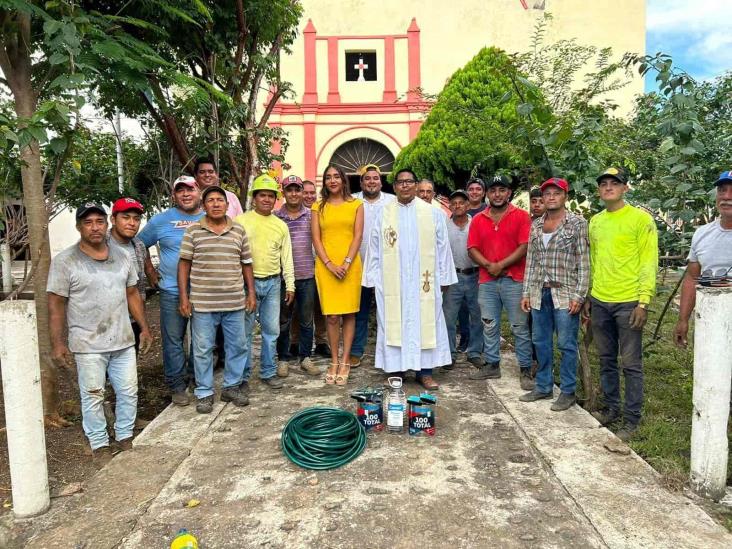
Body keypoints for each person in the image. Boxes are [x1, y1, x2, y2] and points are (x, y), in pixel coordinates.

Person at [48, 203, 153, 465]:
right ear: (79, 227)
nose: (95, 227)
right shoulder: (65, 261)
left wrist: (145, 328)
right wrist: (58, 343)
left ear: (107, 224)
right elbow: (56, 304)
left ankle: (125, 436)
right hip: (87, 344)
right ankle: (99, 444)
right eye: (88, 222)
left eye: (99, 222)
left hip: (123, 339)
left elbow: (132, 294)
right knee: (93, 394)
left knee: (128, 391)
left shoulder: (122, 256)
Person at [583, 167, 658, 442]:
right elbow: (594, 261)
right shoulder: (596, 222)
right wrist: (590, 295)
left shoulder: (641, 220)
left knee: (631, 363)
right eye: (603, 183)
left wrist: (643, 301)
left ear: (625, 188)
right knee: (606, 359)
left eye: (614, 183)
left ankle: (632, 419)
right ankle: (611, 408)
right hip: (601, 300)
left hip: (629, 302)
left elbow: (649, 261)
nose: (608, 187)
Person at [364, 168, 456, 390]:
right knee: (393, 325)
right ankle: (397, 371)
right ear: (394, 187)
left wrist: (444, 278)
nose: (405, 185)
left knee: (426, 325)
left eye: (409, 182)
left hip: (423, 282)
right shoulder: (383, 213)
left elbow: (443, 248)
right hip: (392, 283)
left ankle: (425, 372)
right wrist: (373, 278)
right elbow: (374, 248)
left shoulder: (432, 213)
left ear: (415, 185)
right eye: (400, 182)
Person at [178, 185, 256, 413]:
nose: (215, 204)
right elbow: (184, 264)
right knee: (202, 349)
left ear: (226, 204)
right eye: (210, 200)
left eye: (219, 200)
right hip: (203, 303)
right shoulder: (193, 231)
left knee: (238, 346)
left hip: (234, 301)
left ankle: (231, 386)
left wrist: (250, 293)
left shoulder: (238, 231)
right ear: (204, 205)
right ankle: (204, 392)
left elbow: (246, 264)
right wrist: (184, 296)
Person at [520, 178, 590, 411]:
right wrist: (527, 292)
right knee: (540, 341)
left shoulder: (577, 224)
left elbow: (583, 261)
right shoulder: (537, 225)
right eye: (546, 193)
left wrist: (579, 296)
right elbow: (531, 261)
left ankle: (568, 391)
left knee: (566, 343)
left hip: (565, 293)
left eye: (555, 193)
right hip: (540, 292)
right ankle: (543, 385)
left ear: (564, 197)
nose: (550, 197)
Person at [138, 176, 204, 406]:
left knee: (202, 339)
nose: (186, 194)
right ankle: (177, 385)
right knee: (173, 340)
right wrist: (149, 271)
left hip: (204, 292)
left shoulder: (211, 218)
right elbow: (139, 243)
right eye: (180, 191)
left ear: (199, 192)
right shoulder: (161, 221)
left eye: (190, 189)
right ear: (174, 195)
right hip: (171, 291)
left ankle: (198, 379)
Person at [467, 174, 534, 389]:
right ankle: (492, 364)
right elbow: (472, 248)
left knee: (519, 326)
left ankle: (525, 368)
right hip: (487, 280)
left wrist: (501, 265)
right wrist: (489, 266)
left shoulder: (522, 216)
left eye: (502, 190)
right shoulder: (478, 219)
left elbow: (524, 246)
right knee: (489, 324)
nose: (497, 194)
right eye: (493, 190)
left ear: (509, 193)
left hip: (514, 280)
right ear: (487, 193)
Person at [234, 174, 295, 390]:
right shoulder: (240, 222)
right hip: (246, 284)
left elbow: (286, 257)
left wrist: (290, 284)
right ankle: (243, 376)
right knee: (245, 332)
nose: (267, 199)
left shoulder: (280, 225)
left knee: (271, 331)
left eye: (271, 196)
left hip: (272, 283)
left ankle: (268, 371)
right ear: (254, 197)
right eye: (263, 195)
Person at [311, 164, 364, 385]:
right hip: (326, 267)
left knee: (349, 314)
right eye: (328, 177)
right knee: (331, 316)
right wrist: (330, 264)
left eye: (336, 177)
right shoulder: (318, 207)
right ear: (324, 182)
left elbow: (358, 235)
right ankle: (333, 360)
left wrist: (346, 262)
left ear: (343, 180)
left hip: (350, 267)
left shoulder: (357, 205)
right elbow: (316, 238)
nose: (332, 180)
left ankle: (345, 361)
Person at [674, 171, 732, 347]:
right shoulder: (702, 234)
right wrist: (683, 319)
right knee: (710, 371)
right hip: (710, 320)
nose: (727, 197)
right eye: (722, 190)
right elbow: (692, 278)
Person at [275, 175, 320, 376]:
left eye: (297, 190)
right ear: (283, 192)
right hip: (284, 278)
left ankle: (305, 357)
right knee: (283, 320)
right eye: (289, 190)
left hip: (307, 275)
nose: (294, 194)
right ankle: (283, 359)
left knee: (306, 319)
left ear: (303, 192)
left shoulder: (311, 216)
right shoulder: (276, 217)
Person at [351, 164, 395, 368]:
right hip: (358, 266)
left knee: (389, 312)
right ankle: (356, 351)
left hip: (388, 267)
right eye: (367, 178)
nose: (371, 182)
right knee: (359, 311)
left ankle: (391, 352)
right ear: (361, 182)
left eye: (375, 178)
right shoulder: (352, 201)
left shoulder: (392, 201)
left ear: (381, 181)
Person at [442, 189, 483, 368]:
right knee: (449, 318)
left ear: (468, 205)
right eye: (454, 203)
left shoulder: (477, 223)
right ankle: (449, 353)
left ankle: (474, 352)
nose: (458, 205)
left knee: (478, 316)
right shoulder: (444, 225)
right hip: (453, 277)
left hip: (475, 275)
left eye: (461, 202)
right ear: (449, 206)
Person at [291, 179, 331, 358]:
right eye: (305, 192)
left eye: (311, 193)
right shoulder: (295, 215)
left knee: (320, 307)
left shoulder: (320, 213)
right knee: (297, 308)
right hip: (301, 268)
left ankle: (322, 342)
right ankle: (294, 342)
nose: (308, 196)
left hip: (321, 265)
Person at [108, 197, 155, 349]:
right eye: (125, 217)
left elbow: (138, 287)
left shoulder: (139, 245)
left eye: (136, 218)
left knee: (127, 367)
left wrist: (143, 325)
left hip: (133, 319)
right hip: (106, 321)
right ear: (113, 219)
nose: (131, 223)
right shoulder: (100, 245)